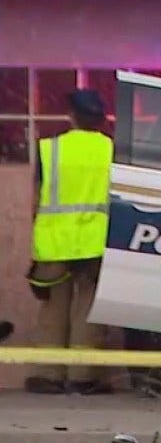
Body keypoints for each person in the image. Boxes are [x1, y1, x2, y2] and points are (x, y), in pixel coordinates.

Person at [24, 89, 114, 395]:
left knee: (53, 309)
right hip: (94, 243)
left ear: (71, 116)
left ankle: (48, 375)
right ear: (100, 120)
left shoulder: (49, 149)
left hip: (54, 243)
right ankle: (83, 376)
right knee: (89, 310)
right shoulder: (112, 150)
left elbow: (36, 200)